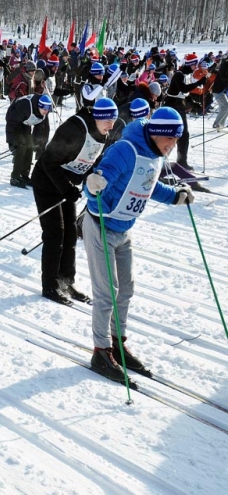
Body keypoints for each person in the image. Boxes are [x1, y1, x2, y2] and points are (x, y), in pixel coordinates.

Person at [82, 107, 192, 383]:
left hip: (123, 228)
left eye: (177, 140)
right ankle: (101, 351)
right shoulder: (126, 150)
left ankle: (117, 343)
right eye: (171, 139)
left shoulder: (154, 154)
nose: (173, 145)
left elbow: (148, 185)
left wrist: (175, 197)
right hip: (101, 225)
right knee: (107, 292)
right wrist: (91, 185)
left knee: (126, 289)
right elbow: (96, 181)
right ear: (158, 133)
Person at [31, 97, 118, 305]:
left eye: (114, 120)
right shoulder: (74, 129)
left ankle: (66, 282)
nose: (111, 125)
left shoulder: (102, 133)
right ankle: (50, 286)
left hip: (66, 185)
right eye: (108, 120)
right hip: (46, 182)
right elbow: (48, 161)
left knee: (70, 234)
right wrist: (66, 188)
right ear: (98, 117)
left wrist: (90, 180)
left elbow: (89, 161)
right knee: (55, 234)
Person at [5, 93, 52, 188]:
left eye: (47, 110)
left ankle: (24, 175)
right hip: (14, 119)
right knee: (21, 146)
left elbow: (39, 127)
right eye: (44, 109)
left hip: (26, 121)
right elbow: (11, 122)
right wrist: (10, 142)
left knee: (30, 147)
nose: (45, 112)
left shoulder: (44, 112)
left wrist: (37, 142)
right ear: (39, 106)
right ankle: (15, 177)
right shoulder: (26, 106)